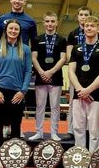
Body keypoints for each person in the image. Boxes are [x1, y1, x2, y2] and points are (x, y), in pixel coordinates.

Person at [0, 19, 32, 165]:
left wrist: (23, 91)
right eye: (11, 29)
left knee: (16, 126)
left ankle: (14, 158)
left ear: (19, 32)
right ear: (6, 30)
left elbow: (28, 71)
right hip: (0, 91)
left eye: (16, 29)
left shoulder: (25, 49)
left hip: (17, 93)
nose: (13, 31)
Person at [68, 15, 99, 153]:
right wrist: (81, 90)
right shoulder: (76, 48)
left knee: (94, 131)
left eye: (92, 26)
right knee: (78, 129)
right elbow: (70, 71)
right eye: (87, 26)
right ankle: (79, 159)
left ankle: (93, 160)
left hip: (95, 96)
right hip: (78, 95)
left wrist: (88, 90)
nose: (89, 28)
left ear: (98, 28)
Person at [29, 12, 67, 141]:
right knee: (40, 106)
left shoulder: (62, 40)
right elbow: (33, 58)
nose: (50, 24)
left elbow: (63, 59)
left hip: (55, 77)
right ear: (44, 22)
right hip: (40, 77)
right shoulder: (36, 39)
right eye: (47, 21)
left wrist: (50, 72)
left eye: (52, 21)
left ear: (56, 23)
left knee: (55, 106)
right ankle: (39, 132)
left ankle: (53, 133)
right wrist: (41, 72)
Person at [62, 6, 92, 141]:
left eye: (86, 14)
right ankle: (71, 130)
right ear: (78, 17)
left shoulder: (93, 32)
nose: (84, 17)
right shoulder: (72, 34)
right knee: (74, 103)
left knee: (90, 102)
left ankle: (87, 129)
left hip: (90, 73)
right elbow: (69, 55)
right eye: (81, 14)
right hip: (76, 72)